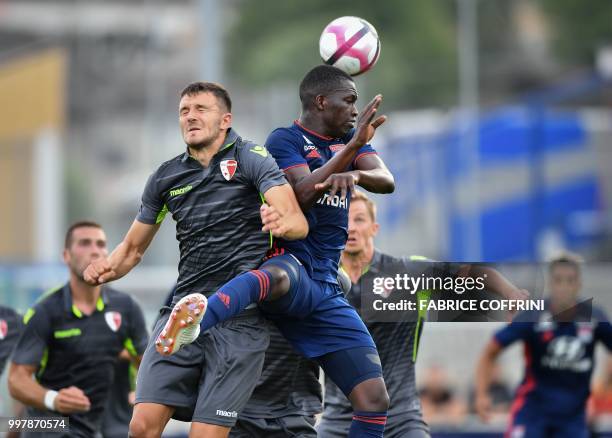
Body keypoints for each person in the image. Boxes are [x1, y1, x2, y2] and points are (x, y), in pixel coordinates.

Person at [166, 65, 395, 438]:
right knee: (276, 277)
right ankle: (195, 322)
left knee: (374, 399)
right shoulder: (284, 140)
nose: (356, 111)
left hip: (325, 285)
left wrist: (353, 172)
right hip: (293, 263)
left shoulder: (351, 138)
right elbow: (300, 194)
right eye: (349, 101)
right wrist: (348, 154)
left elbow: (386, 180)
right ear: (321, 101)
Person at [83, 81, 308, 438]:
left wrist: (282, 222)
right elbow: (132, 249)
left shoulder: (252, 158)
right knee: (141, 425)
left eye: (201, 109)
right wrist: (106, 268)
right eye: (184, 111)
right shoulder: (165, 177)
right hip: (181, 314)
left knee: (204, 435)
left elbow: (297, 221)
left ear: (225, 119)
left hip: (239, 321)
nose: (190, 117)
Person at [317, 190, 524, 437]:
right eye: (344, 220)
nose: (351, 227)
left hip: (400, 419)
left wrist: (511, 294)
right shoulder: (320, 279)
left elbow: (473, 273)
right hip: (339, 421)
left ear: (374, 228)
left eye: (359, 219)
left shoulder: (408, 272)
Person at [8, 221, 148, 438]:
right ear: (66, 255)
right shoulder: (44, 312)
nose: (95, 250)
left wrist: (141, 395)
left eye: (101, 244)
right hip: (54, 426)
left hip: (103, 425)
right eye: (84, 243)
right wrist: (53, 399)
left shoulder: (127, 308)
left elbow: (148, 366)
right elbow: (16, 380)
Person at [475, 252, 612, 438]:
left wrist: (603, 383)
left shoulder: (595, 318)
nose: (564, 287)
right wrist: (482, 394)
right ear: (550, 284)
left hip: (572, 420)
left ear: (578, 284)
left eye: (570, 280)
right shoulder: (533, 317)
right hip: (532, 414)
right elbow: (491, 351)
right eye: (558, 280)